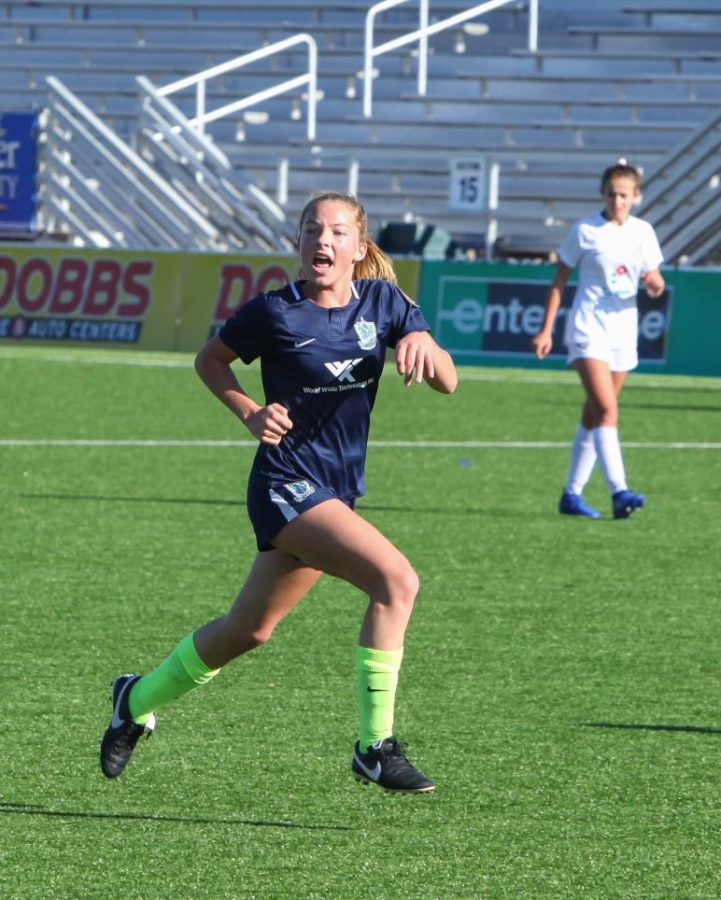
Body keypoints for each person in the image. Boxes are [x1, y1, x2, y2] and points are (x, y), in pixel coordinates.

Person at [100, 191, 458, 793]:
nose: (323, 241)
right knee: (397, 581)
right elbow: (210, 360)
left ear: (359, 247)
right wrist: (247, 411)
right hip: (284, 485)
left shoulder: (385, 301)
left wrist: (427, 344)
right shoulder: (274, 311)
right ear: (298, 243)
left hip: (334, 494)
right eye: (312, 231)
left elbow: (447, 382)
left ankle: (133, 700)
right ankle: (375, 747)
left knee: (248, 631)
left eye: (337, 233)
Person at [531, 161, 665, 519]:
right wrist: (546, 329)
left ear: (636, 196)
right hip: (588, 329)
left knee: (595, 413)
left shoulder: (643, 233)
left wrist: (655, 284)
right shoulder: (586, 230)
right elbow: (559, 280)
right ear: (603, 194)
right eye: (611, 194)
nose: (617, 201)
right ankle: (619, 491)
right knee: (607, 409)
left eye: (624, 195)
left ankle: (571, 494)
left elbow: (653, 277)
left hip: (623, 331)